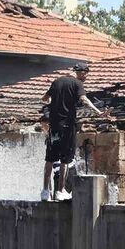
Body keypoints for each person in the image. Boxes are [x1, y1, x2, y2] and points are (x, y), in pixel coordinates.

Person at [41, 63, 106, 201]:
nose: (86, 76)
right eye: (86, 73)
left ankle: (45, 192)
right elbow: (84, 99)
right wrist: (98, 112)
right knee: (65, 160)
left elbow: (44, 98)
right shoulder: (77, 83)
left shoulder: (56, 82)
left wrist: (56, 103)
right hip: (67, 126)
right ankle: (60, 191)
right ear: (80, 72)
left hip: (54, 127)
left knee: (49, 160)